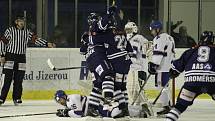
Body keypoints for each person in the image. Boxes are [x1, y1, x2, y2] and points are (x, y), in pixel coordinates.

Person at [0, 14, 54, 105]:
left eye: (23, 21)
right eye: (20, 21)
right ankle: (1, 98)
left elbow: (35, 39)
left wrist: (46, 43)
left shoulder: (27, 32)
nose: (22, 22)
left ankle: (17, 98)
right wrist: (2, 55)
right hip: (10, 56)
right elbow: (2, 42)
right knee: (7, 79)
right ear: (16, 22)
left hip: (21, 57)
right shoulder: (10, 30)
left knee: (19, 79)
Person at [165, 31, 215, 121]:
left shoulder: (191, 51)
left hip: (192, 83)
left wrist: (173, 73)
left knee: (179, 107)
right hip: (212, 82)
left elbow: (175, 70)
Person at [98, 6, 133, 117]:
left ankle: (123, 108)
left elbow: (101, 46)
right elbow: (130, 51)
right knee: (122, 86)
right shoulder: (122, 33)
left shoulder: (108, 33)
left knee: (116, 87)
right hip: (126, 61)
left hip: (116, 61)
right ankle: (125, 107)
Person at [80, 12, 116, 117]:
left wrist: (87, 43)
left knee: (98, 85)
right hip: (98, 56)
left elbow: (82, 51)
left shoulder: (87, 34)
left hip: (91, 61)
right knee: (108, 74)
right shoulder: (96, 27)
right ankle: (108, 99)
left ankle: (92, 107)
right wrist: (109, 14)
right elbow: (102, 24)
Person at [124, 21, 152, 117]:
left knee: (135, 89)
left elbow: (133, 54)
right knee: (135, 89)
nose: (127, 32)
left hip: (136, 68)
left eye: (129, 30)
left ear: (134, 30)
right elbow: (150, 49)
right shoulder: (142, 38)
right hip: (139, 68)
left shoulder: (135, 39)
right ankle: (138, 109)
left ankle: (144, 107)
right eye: (126, 30)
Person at [148, 20, 175, 115]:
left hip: (162, 67)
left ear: (157, 29)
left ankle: (166, 106)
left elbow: (158, 53)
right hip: (169, 67)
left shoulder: (159, 38)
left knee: (161, 87)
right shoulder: (170, 37)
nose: (151, 32)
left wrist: (153, 64)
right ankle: (169, 105)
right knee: (165, 87)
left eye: (152, 30)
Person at [54, 90, 121, 118]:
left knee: (112, 114)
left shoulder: (71, 100)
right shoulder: (69, 101)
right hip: (93, 105)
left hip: (94, 105)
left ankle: (123, 106)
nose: (60, 102)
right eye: (58, 101)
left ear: (64, 97)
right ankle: (121, 106)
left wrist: (67, 113)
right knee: (110, 113)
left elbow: (79, 114)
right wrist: (66, 112)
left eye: (60, 100)